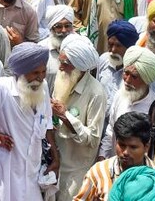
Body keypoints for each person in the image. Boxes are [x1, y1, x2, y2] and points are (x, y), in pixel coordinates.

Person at [0, 39, 59, 200]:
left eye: (43, 72)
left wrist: (55, 159)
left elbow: (47, 123)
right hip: (5, 173)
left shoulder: (43, 87)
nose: (40, 77)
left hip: (31, 172)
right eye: (35, 73)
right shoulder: (3, 89)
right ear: (20, 72)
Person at [99, 46, 155, 175]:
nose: (127, 80)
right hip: (116, 173)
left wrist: (152, 186)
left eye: (134, 76)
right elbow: (110, 131)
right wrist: (102, 156)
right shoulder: (120, 96)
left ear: (147, 79)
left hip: (144, 179)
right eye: (126, 73)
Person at [73, 112, 155, 201]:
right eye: (122, 145)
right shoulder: (98, 172)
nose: (126, 152)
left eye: (133, 147)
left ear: (146, 147)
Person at [51, 34, 106, 201]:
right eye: (60, 62)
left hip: (77, 173)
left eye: (65, 64)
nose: (60, 68)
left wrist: (65, 116)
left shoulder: (96, 93)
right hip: (55, 165)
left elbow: (93, 139)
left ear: (79, 67)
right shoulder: (61, 79)